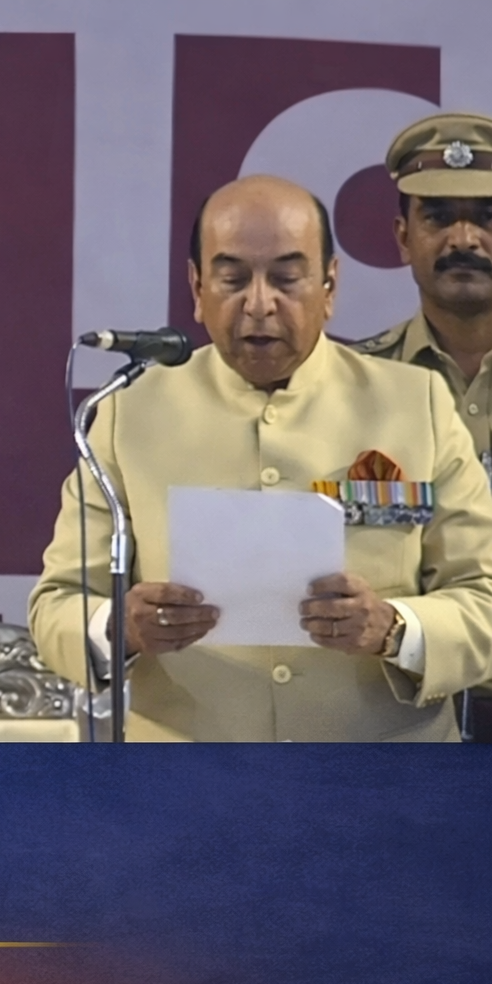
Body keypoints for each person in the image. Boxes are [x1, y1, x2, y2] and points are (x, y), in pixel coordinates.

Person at [28, 175, 492, 741]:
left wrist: (394, 628)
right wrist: (121, 628)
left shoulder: (413, 405)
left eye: (287, 278)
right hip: (189, 788)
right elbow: (57, 604)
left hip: (381, 784)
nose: (259, 304)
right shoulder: (130, 416)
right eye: (232, 278)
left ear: (329, 286)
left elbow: (482, 595)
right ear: (197, 288)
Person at [348, 112, 492, 737]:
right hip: (401, 709)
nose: (465, 237)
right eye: (438, 218)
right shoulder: (348, 388)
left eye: (487, 217)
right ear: (403, 238)